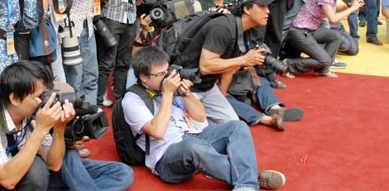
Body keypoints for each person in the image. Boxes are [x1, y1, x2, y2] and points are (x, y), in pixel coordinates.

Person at [122, 46, 286, 190]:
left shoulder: (168, 86)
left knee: (237, 126)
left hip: (194, 141)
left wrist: (186, 94)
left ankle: (247, 186)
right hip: (166, 160)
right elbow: (157, 132)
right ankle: (251, 177)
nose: (167, 77)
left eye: (167, 71)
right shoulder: (132, 99)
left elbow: (200, 117)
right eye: (160, 74)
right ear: (144, 77)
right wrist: (168, 94)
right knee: (193, 145)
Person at [0, 60, 134, 190]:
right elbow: (8, 180)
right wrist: (41, 128)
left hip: (24, 178)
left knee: (122, 173)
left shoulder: (31, 114)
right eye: (38, 97)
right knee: (37, 171)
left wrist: (60, 128)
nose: (45, 101)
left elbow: (54, 163)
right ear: (14, 99)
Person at [176, 0, 289, 124]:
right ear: (247, 9)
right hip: (186, 87)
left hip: (208, 88)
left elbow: (228, 70)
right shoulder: (223, 27)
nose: (268, 12)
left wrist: (221, 103)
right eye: (263, 7)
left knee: (233, 125)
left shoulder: (242, 30)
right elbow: (206, 66)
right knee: (202, 132)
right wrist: (244, 60)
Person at [283, 0, 364, 78]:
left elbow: (333, 9)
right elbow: (333, 19)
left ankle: (322, 69)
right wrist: (352, 8)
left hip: (309, 31)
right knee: (325, 59)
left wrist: (348, 6)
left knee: (335, 36)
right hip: (300, 33)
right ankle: (290, 64)